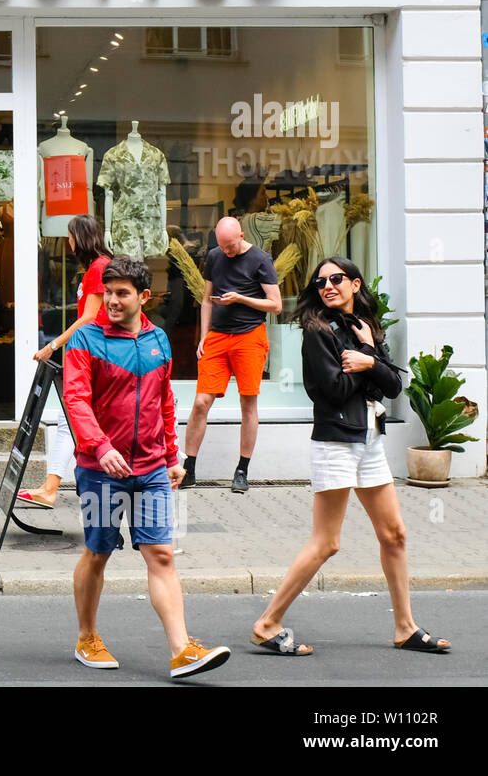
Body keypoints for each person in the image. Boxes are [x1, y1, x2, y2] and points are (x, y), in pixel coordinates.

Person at [251, 257, 450, 656]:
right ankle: (267, 622)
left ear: (355, 284)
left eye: (337, 279)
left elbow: (393, 385)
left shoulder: (367, 328)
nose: (328, 286)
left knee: (394, 534)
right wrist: (365, 361)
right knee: (327, 542)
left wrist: (369, 357)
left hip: (370, 440)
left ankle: (404, 627)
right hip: (336, 441)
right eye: (321, 281)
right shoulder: (317, 332)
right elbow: (333, 390)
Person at [63, 257, 231, 679]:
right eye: (108, 293)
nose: (113, 302)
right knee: (98, 551)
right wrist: (100, 448)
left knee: (161, 554)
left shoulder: (159, 340)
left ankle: (181, 650)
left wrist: (174, 456)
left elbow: (163, 401)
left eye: (122, 294)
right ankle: (87, 637)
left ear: (144, 297)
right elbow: (76, 400)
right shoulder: (85, 339)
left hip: (152, 467)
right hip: (102, 470)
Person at [182, 216, 282, 493]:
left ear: (241, 235)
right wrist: (204, 336)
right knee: (201, 402)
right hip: (218, 336)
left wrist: (241, 298)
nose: (226, 252)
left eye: (230, 246)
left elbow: (276, 305)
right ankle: (188, 467)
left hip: (250, 336)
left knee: (247, 403)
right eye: (222, 246)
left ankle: (242, 469)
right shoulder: (214, 256)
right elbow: (205, 299)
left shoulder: (261, 259)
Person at [21, 214, 112, 509]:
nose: (69, 243)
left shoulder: (99, 268)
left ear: (82, 238)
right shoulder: (94, 268)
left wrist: (53, 345)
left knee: (71, 418)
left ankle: (53, 487)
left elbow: (90, 317)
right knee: (70, 419)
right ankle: (54, 485)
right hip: (88, 352)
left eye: (71, 236)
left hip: (92, 354)